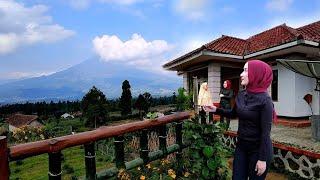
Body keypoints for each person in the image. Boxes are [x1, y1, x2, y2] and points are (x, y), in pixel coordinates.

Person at [204, 60, 275, 180]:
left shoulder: (265, 100)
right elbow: (233, 114)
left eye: (246, 70)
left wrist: (262, 159)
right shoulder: (241, 95)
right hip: (241, 147)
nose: (241, 74)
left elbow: (265, 133)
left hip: (258, 150)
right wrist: (215, 110)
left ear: (256, 73)